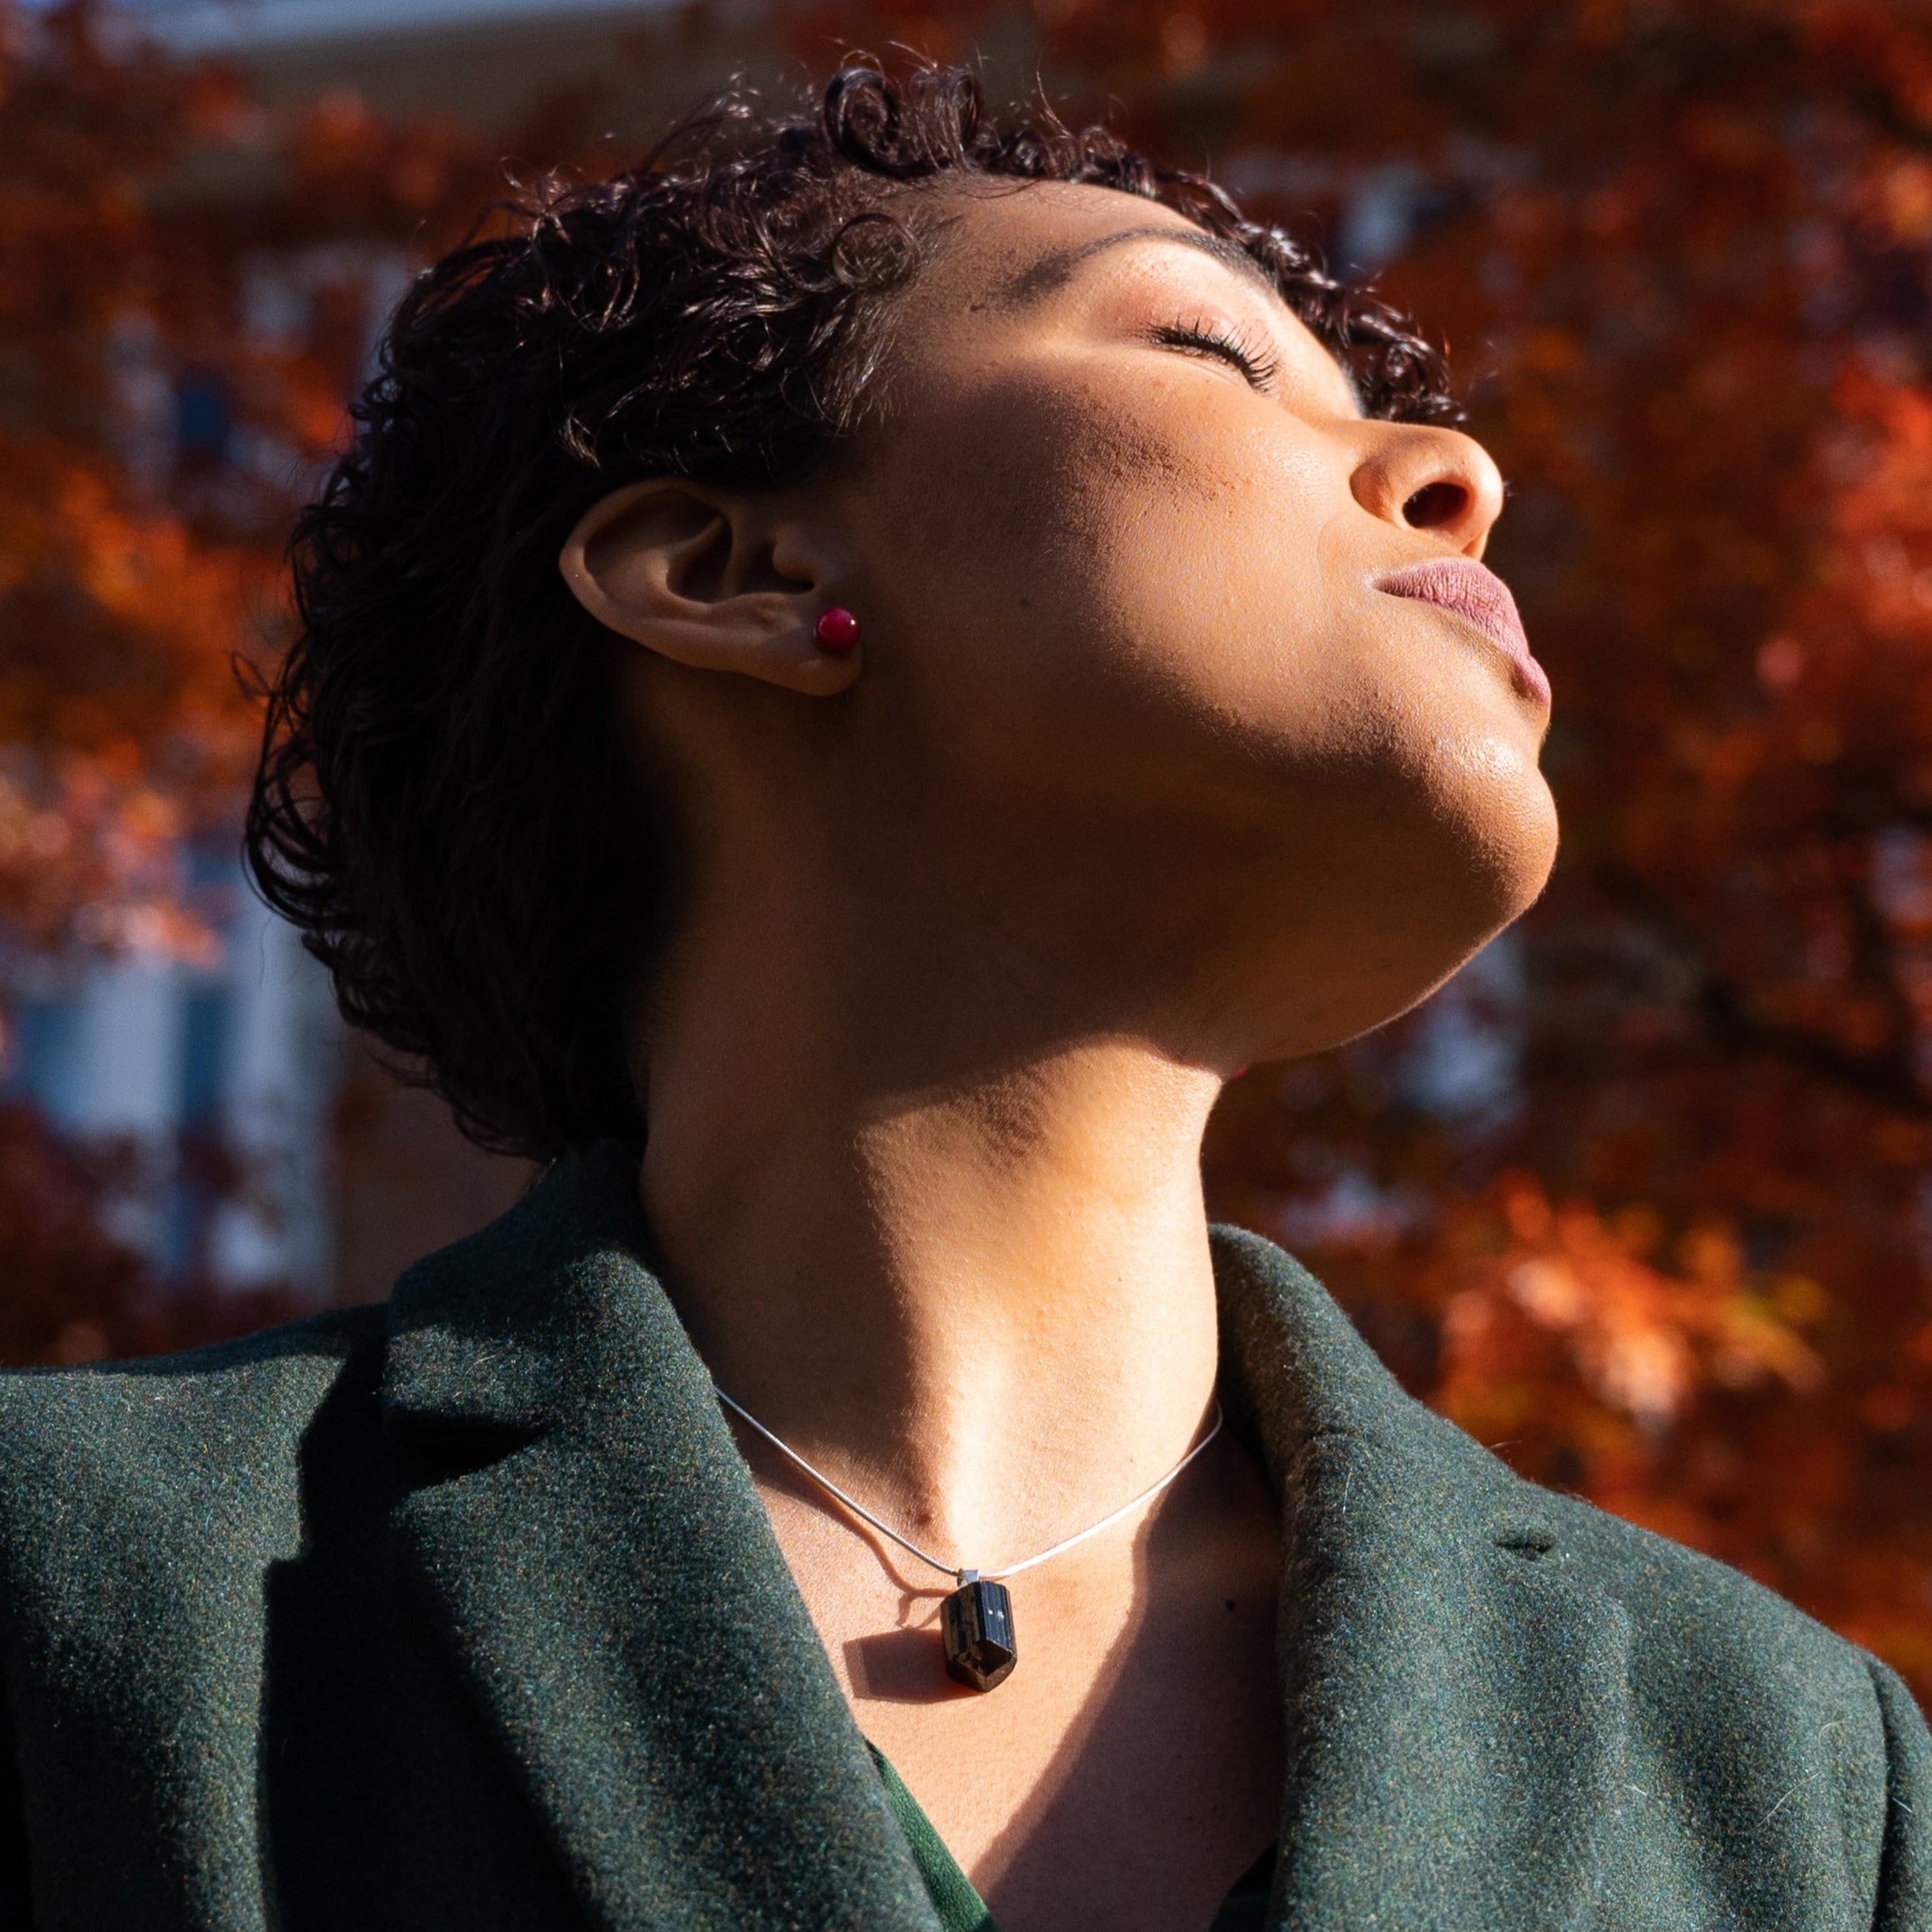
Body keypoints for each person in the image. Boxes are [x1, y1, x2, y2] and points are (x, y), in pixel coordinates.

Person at [0, 62, 1921, 1932]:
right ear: (729, 569)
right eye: (1203, 349)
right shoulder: (90, 1589)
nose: (1457, 478)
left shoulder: (1787, 1779)